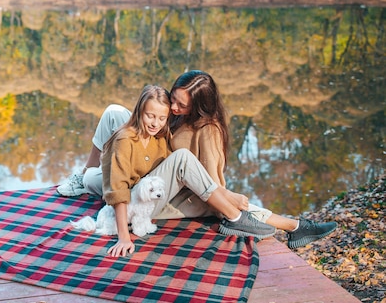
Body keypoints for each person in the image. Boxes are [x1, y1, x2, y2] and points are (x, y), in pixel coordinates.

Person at [58, 71, 338, 250]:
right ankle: (82, 176)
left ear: (199, 105)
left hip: (175, 193)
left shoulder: (207, 131)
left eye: (181, 104)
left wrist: (229, 197)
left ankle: (294, 226)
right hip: (148, 179)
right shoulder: (172, 116)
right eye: (173, 99)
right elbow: (151, 122)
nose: (173, 107)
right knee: (111, 119)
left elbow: (211, 185)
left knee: (233, 202)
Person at [77, 84, 276, 257]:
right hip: (136, 204)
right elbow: (118, 190)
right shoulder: (124, 139)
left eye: (162, 118)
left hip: (150, 194)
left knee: (90, 178)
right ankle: (235, 218)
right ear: (139, 112)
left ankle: (253, 217)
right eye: (150, 116)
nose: (156, 123)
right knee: (182, 159)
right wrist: (123, 237)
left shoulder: (160, 135)